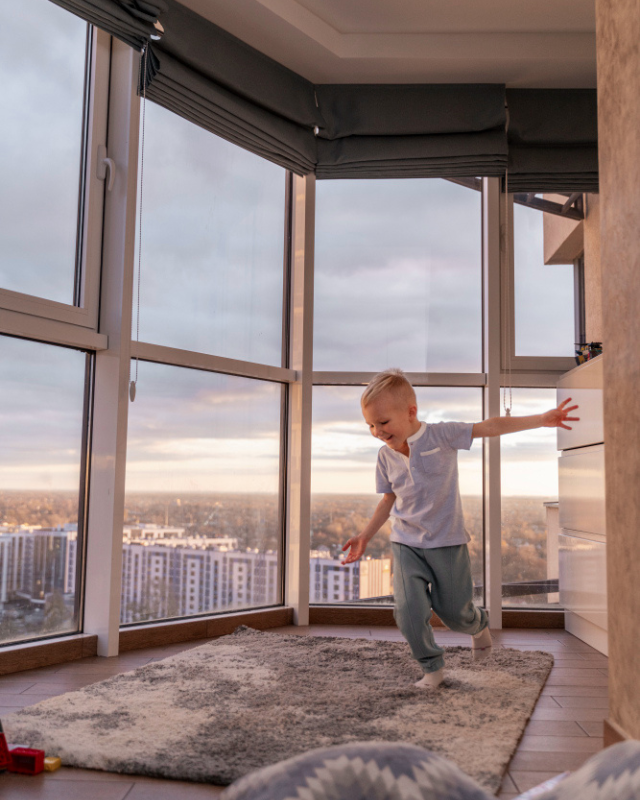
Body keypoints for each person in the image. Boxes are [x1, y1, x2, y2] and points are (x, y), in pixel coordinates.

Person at [341, 368, 579, 689]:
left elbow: (490, 426)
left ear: (411, 412)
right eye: (370, 425)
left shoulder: (441, 435)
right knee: (408, 610)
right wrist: (364, 536)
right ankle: (432, 667)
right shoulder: (385, 457)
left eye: (383, 422)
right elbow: (388, 500)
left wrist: (541, 419)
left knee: (455, 614)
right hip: (406, 543)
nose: (377, 431)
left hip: (447, 543)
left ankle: (478, 626)